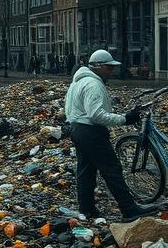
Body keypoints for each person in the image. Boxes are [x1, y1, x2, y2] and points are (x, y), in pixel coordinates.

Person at [64, 49, 157, 222]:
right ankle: (129, 209)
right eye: (109, 67)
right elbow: (96, 115)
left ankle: (87, 209)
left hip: (77, 129)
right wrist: (124, 119)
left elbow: (71, 108)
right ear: (99, 66)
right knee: (112, 169)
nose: (111, 71)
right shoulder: (93, 84)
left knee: (86, 171)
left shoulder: (78, 81)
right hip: (91, 132)